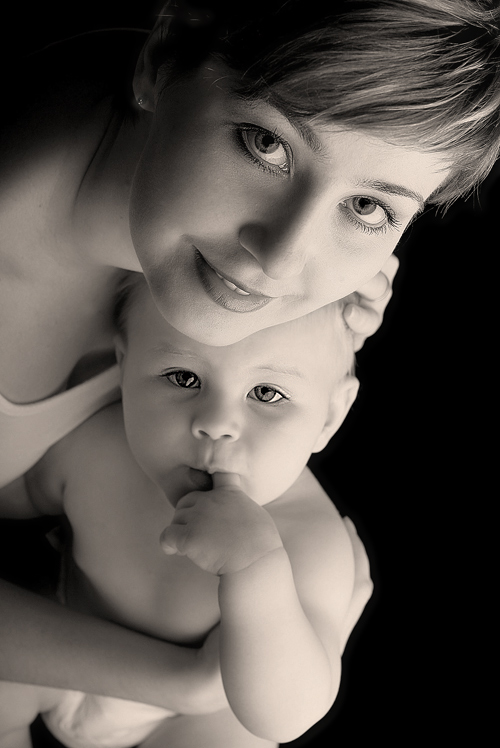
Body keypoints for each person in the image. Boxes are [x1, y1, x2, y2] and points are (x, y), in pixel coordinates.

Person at [1, 0, 499, 727]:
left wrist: (312, 334)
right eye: (266, 144)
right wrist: (190, 685)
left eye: (368, 207)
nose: (281, 256)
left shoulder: (216, 262)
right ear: (163, 56)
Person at [1, 273, 367, 748]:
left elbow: (285, 716)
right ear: (125, 367)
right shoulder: (96, 447)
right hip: (61, 646)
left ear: (331, 415)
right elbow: (15, 492)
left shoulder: (307, 540)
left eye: (267, 394)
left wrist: (255, 572)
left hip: (188, 719)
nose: (216, 424)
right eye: (184, 378)